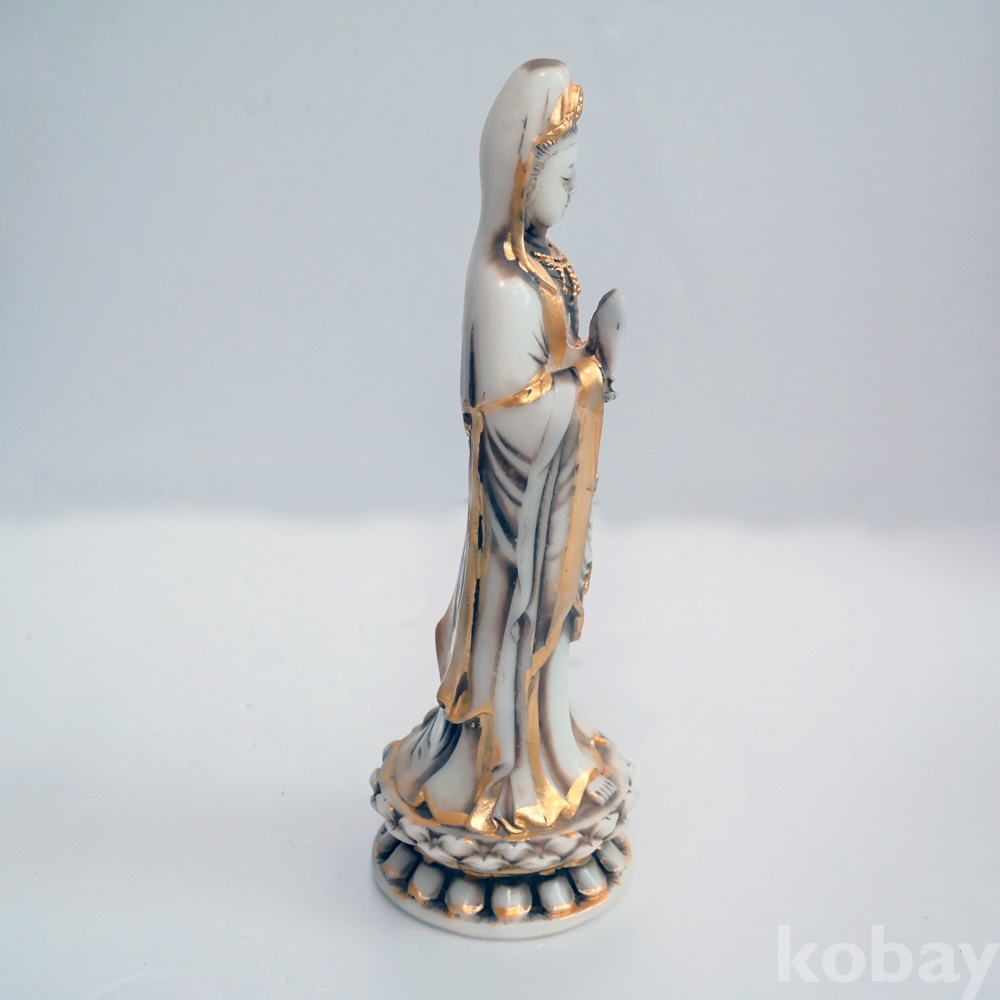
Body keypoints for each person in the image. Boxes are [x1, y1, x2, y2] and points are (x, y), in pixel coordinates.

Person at [381, 59, 626, 838]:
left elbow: (545, 380)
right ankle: (503, 777)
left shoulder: (542, 266)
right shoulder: (501, 282)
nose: (572, 189)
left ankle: (549, 757)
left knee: (549, 637)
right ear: (522, 172)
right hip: (515, 518)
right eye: (562, 173)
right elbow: (511, 416)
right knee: (518, 629)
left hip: (549, 509)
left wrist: (585, 364)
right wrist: (592, 373)